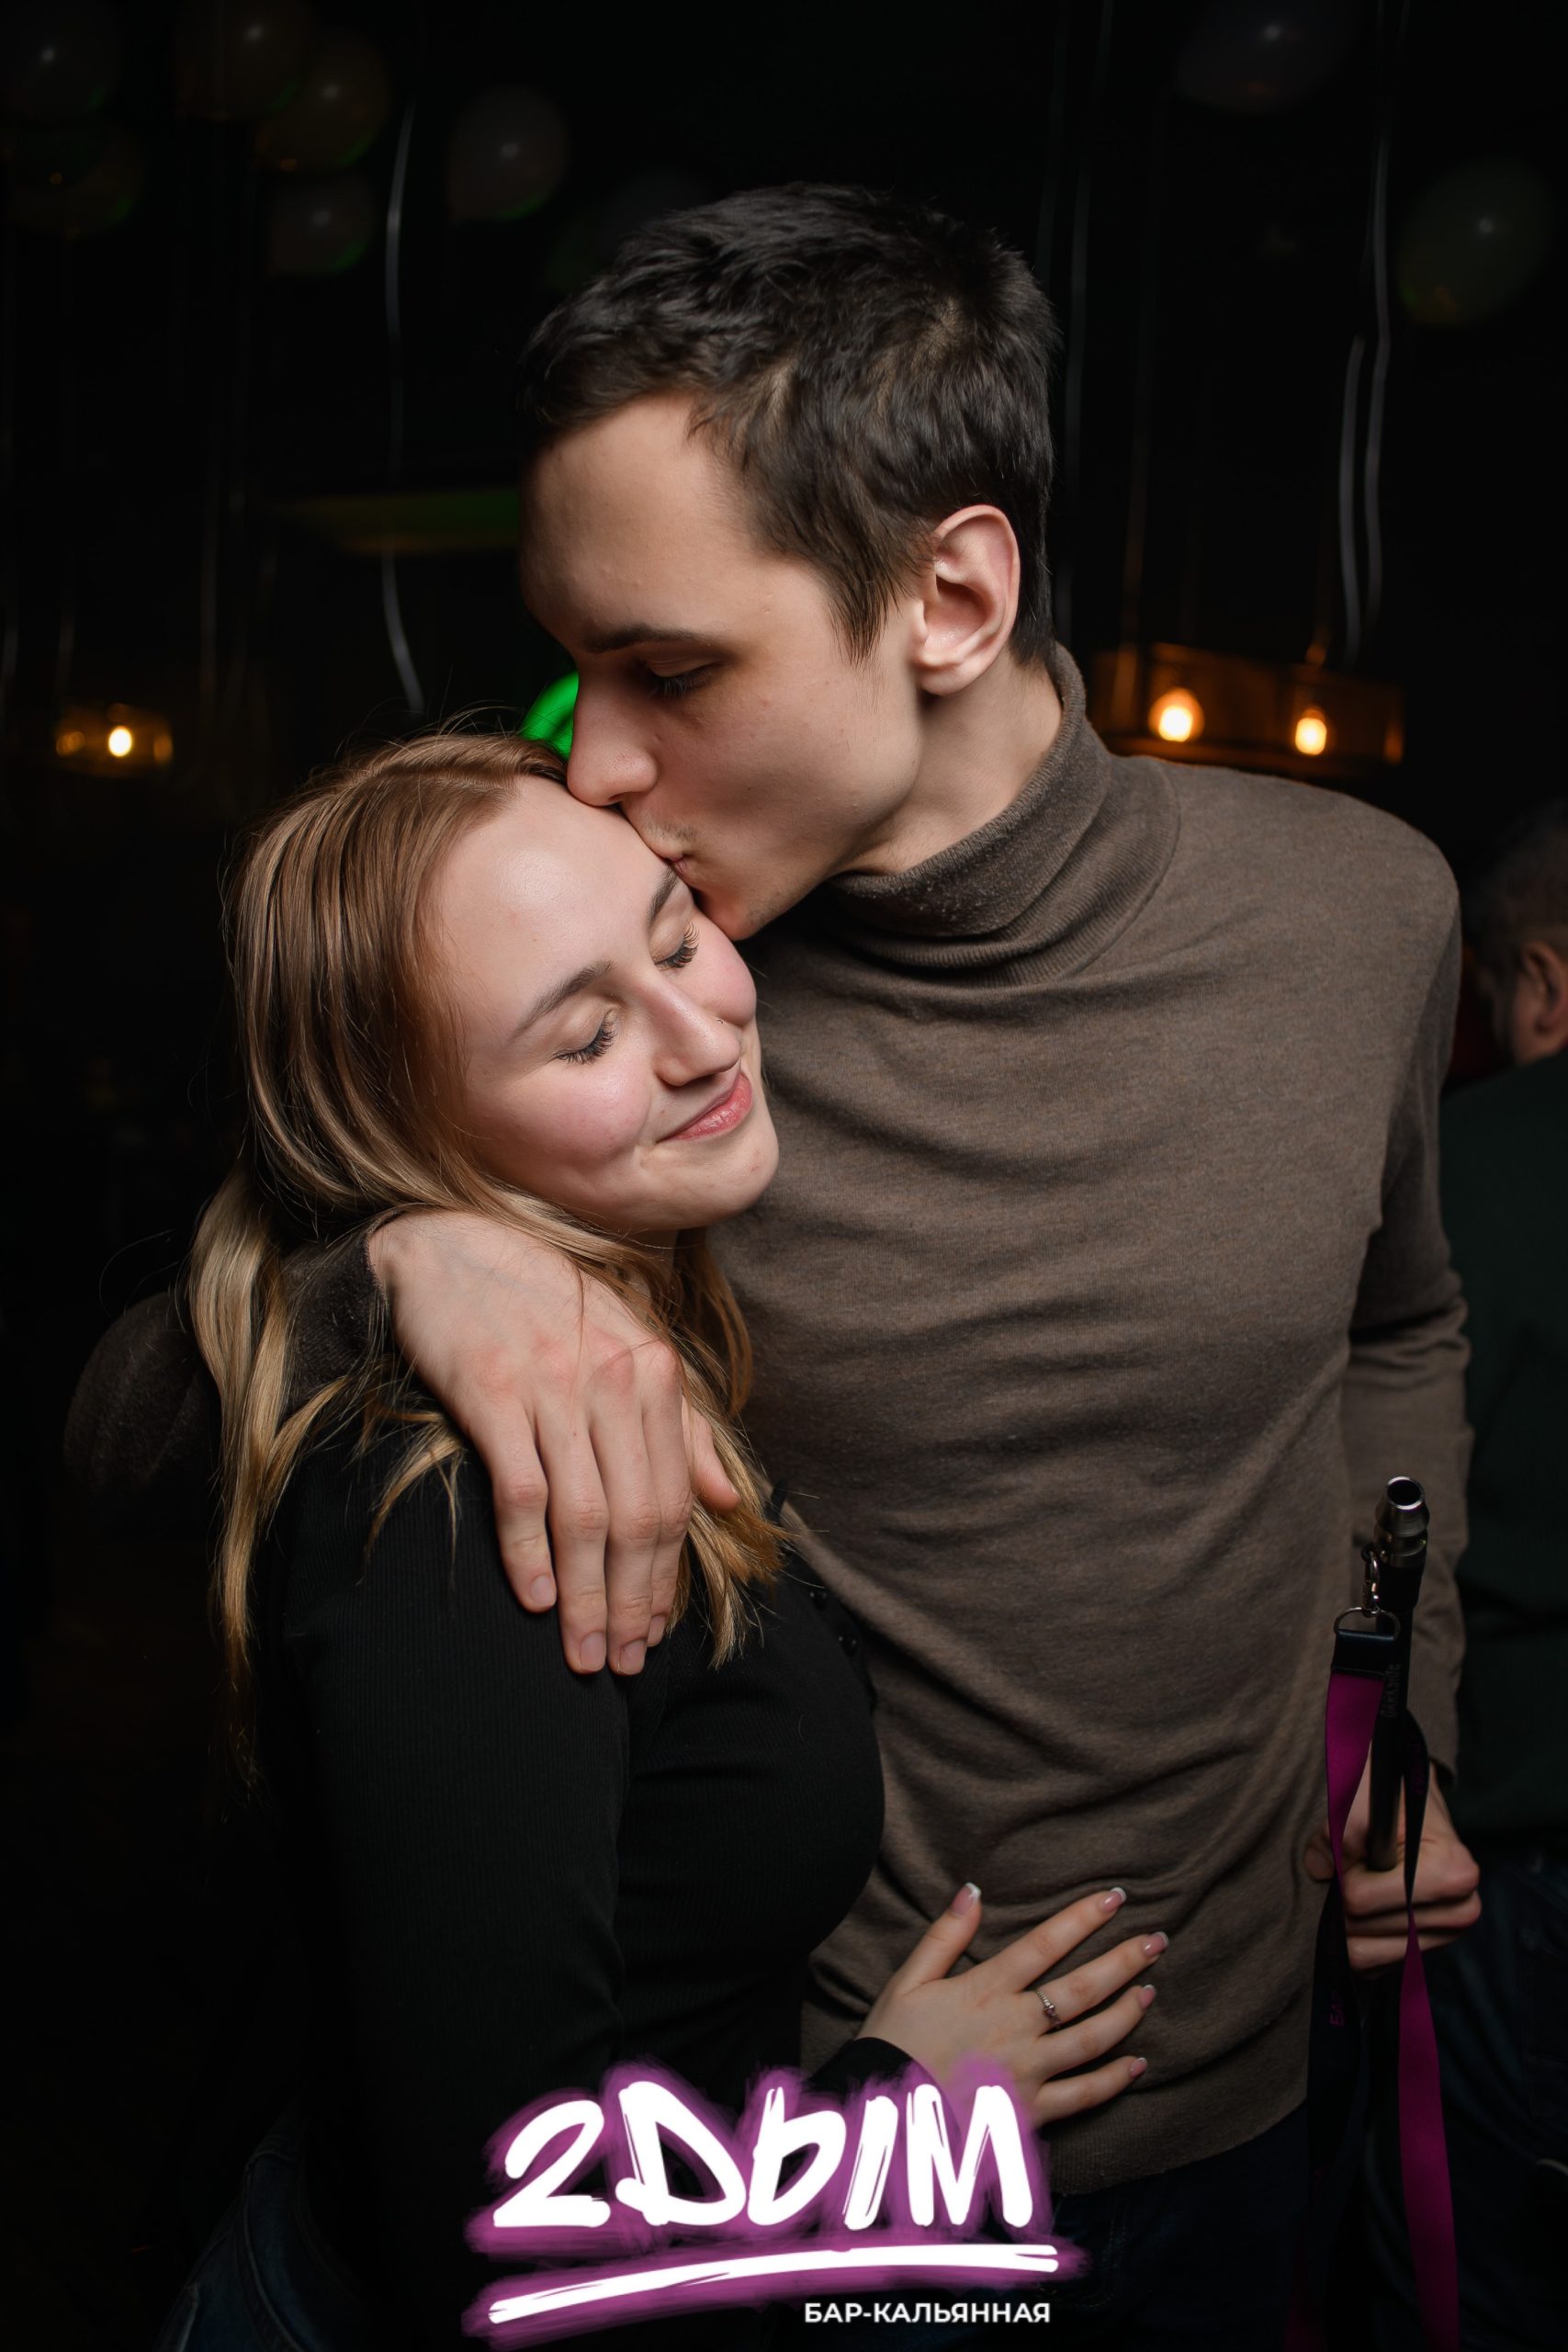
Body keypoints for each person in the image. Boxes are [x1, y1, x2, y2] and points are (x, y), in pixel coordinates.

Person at [71, 186, 1481, 2347]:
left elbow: (1397, 1330)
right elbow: (128, 1421)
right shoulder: (622, 1034)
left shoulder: (1361, 915)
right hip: (791, 2167)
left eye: (669, 670)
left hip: (1246, 2087)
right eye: (579, 664)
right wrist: (409, 1263)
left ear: (948, 595)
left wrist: (1404, 1713)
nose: (591, 759)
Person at [146, 734, 1161, 2352]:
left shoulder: (593, 1336)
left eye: (677, 936)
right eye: (586, 1034)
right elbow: (503, 2258)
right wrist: (896, 2111)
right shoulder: (470, 1518)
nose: (705, 1035)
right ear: (415, 1132)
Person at [1363, 800, 1568, 2351]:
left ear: (1541, 984)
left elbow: (1397, 1516)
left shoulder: (1486, 1163)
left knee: (1467, 2280)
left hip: (1516, 1852)